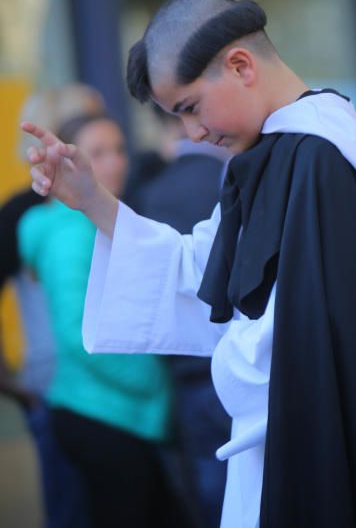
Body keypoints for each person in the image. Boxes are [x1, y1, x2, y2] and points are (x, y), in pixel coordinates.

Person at [21, 0, 356, 528]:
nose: (193, 132)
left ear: (240, 65)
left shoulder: (317, 160)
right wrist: (93, 200)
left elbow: (290, 342)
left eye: (189, 108)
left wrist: (230, 354)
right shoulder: (278, 155)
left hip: (316, 453)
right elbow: (207, 273)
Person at [18, 113, 177, 528]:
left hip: (113, 412)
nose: (116, 163)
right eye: (98, 152)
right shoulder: (72, 229)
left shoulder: (98, 220)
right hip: (102, 415)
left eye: (120, 149)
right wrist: (154, 379)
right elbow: (78, 334)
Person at [0, 83, 105, 528]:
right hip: (57, 392)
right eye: (88, 125)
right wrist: (15, 384)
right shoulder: (26, 212)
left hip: (122, 388)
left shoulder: (105, 199)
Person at [130, 106, 231, 528]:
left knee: (211, 492)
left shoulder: (148, 194)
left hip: (184, 366)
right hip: (241, 357)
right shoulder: (232, 179)